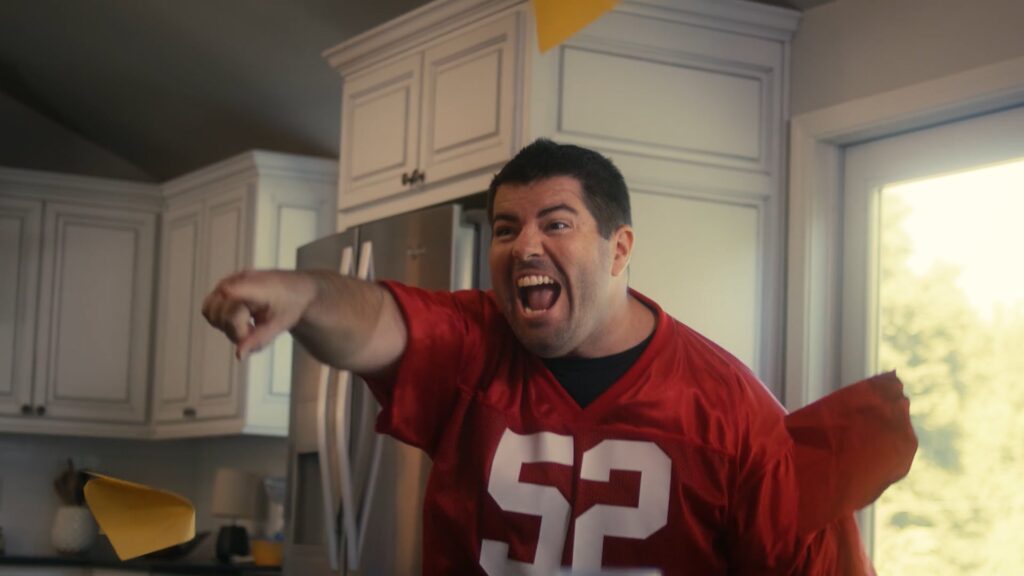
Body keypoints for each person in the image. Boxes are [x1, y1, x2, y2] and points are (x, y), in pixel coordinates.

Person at [202, 139, 912, 575]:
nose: (524, 246)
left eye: (557, 223)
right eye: (506, 228)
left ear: (619, 248)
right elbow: (380, 322)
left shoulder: (731, 415)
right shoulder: (476, 344)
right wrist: (306, 295)